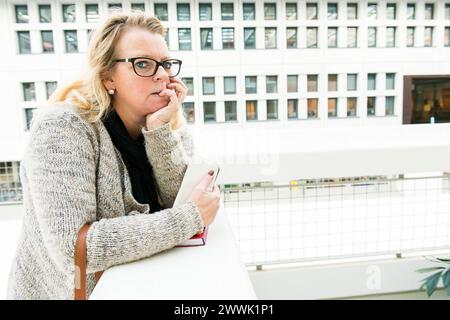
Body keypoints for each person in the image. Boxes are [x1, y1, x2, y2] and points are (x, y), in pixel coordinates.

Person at [7, 13, 220, 300]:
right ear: (108, 76)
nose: (163, 75)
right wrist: (188, 217)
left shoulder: (169, 125)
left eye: (166, 64)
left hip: (144, 285)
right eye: (142, 64)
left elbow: (178, 200)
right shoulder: (64, 127)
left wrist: (158, 131)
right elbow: (73, 249)